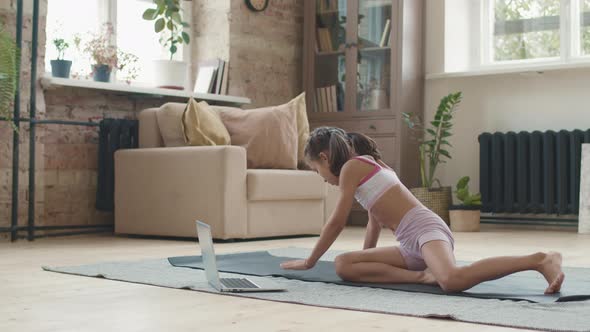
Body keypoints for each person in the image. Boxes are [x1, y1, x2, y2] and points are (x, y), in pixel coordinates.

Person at [280, 127, 565, 294]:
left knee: (452, 280)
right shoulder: (367, 166)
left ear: (324, 157)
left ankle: (540, 259)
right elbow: (374, 223)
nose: (321, 177)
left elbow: (337, 221)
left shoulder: (353, 168)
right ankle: (422, 276)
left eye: (317, 170)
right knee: (344, 264)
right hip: (409, 244)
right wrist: (364, 259)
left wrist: (310, 260)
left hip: (427, 230)